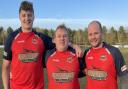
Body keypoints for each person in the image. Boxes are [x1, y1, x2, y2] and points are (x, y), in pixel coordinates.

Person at [2, 1, 82, 89]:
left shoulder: (41, 38)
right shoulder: (12, 38)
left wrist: (74, 46)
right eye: (24, 15)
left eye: (29, 15)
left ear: (33, 17)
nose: (27, 18)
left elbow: (59, 41)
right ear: (19, 17)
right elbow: (5, 67)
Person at [82, 20, 128, 89]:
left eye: (96, 33)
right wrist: (73, 46)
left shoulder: (114, 51)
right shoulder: (86, 53)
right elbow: (79, 71)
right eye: (90, 34)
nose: (93, 37)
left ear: (101, 33)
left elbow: (124, 77)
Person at [45, 25, 84, 89]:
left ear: (68, 39)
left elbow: (86, 71)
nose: (62, 38)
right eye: (59, 36)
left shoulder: (77, 54)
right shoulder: (47, 55)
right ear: (54, 40)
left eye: (65, 36)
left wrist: (75, 46)